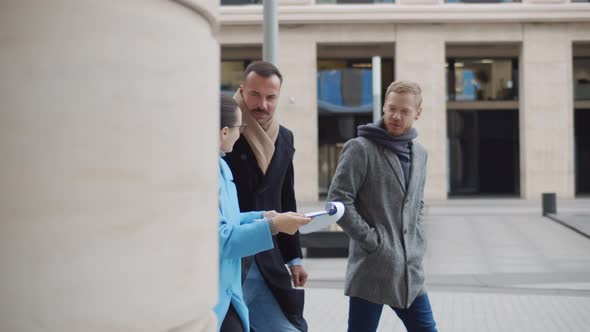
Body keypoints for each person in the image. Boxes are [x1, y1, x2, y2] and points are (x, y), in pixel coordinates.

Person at [327, 80, 437, 332]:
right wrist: (374, 243)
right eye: (391, 108)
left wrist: (417, 239)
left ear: (417, 113)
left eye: (405, 111)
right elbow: (338, 201)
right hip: (372, 268)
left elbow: (417, 202)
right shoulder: (360, 148)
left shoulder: (420, 153)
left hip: (410, 271)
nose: (396, 116)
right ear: (384, 107)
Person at [223, 61, 308, 332]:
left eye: (271, 97)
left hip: (267, 257)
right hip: (232, 257)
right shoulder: (225, 134)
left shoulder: (284, 137)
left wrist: (294, 258)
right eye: (255, 95)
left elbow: (285, 196)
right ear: (242, 90)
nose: (263, 104)